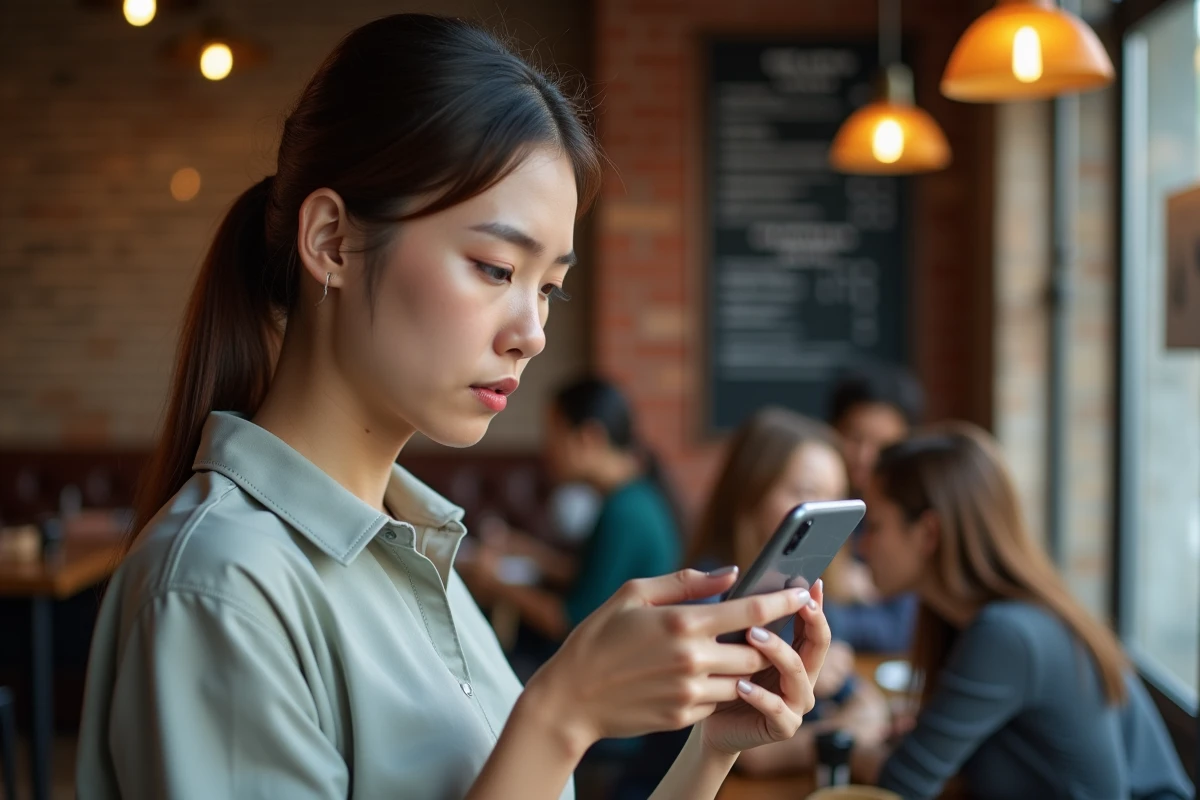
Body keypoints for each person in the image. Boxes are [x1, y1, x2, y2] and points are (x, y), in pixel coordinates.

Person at [74, 15, 832, 799]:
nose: (532, 334)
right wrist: (560, 715)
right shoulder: (220, 587)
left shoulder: (419, 557)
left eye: (548, 289)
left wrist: (710, 751)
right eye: (496, 268)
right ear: (332, 241)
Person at [853, 423, 1193, 800]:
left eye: (874, 526)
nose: (862, 545)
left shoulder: (1006, 633)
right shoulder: (976, 621)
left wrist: (855, 747)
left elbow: (901, 787)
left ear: (928, 533)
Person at [687, 408, 890, 777]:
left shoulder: (804, 586)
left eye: (835, 498)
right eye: (808, 494)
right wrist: (843, 734)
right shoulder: (706, 593)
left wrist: (852, 707)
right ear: (751, 492)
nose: (825, 515)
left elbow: (856, 693)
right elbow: (744, 752)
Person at [461, 377, 682, 644]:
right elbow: (594, 577)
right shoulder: (634, 496)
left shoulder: (625, 513)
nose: (547, 449)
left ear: (590, 437)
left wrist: (493, 582)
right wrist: (532, 553)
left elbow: (572, 623)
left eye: (554, 434)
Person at [823, 366, 924, 653]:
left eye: (883, 444)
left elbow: (899, 630)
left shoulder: (908, 516)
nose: (865, 457)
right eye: (854, 438)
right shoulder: (814, 506)